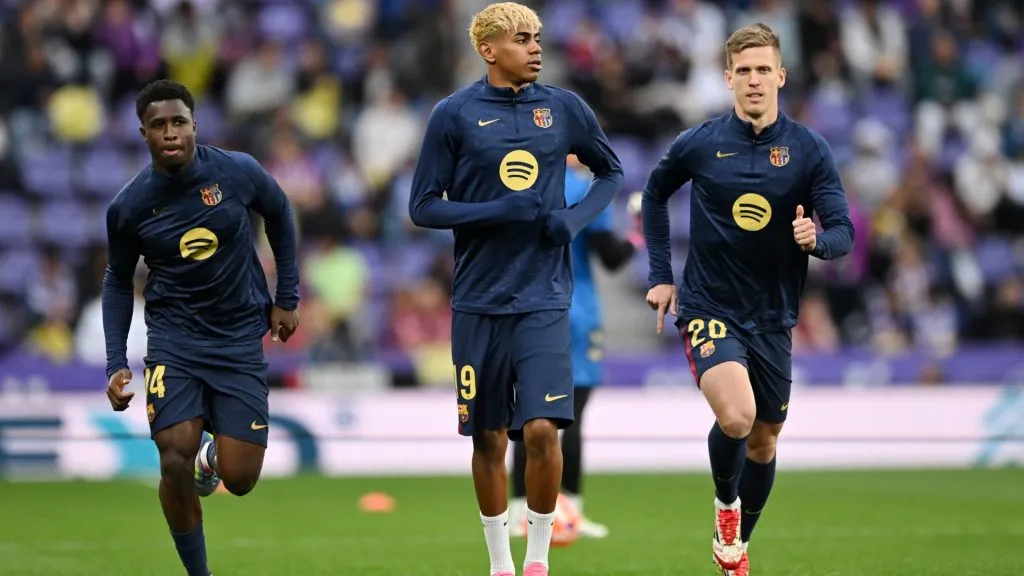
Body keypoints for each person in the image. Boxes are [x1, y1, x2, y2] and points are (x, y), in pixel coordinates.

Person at [407, 3, 623, 574]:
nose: (535, 47)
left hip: (544, 298)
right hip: (478, 301)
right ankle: (500, 562)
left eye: (538, 37)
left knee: (544, 430)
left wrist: (573, 220)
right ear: (488, 49)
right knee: (489, 438)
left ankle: (538, 560)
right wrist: (496, 210)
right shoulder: (453, 114)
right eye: (522, 39)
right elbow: (422, 206)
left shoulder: (564, 108)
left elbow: (611, 173)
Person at [641, 23, 854, 576]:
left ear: (781, 76)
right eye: (744, 71)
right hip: (709, 307)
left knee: (764, 441)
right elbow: (654, 194)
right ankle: (726, 505)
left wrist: (817, 241)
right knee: (738, 417)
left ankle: (733, 542)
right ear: (728, 78)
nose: (754, 80)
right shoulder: (701, 142)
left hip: (773, 316)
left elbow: (843, 231)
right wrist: (662, 275)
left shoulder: (808, 149)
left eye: (763, 70)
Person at [103, 79, 300, 576]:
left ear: (195, 125)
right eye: (158, 125)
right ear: (144, 134)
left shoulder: (236, 171)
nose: (170, 133)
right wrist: (115, 362)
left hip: (238, 337)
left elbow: (280, 213)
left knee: (241, 478)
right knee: (173, 457)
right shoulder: (129, 207)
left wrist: (287, 299)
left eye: (179, 122)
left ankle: (210, 460)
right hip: (176, 341)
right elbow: (117, 280)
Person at [509, 158, 641, 539]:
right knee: (572, 417)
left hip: (525, 308)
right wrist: (638, 234)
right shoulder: (586, 188)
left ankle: (518, 513)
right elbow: (611, 257)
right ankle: (571, 512)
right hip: (576, 311)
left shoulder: (519, 180)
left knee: (527, 414)